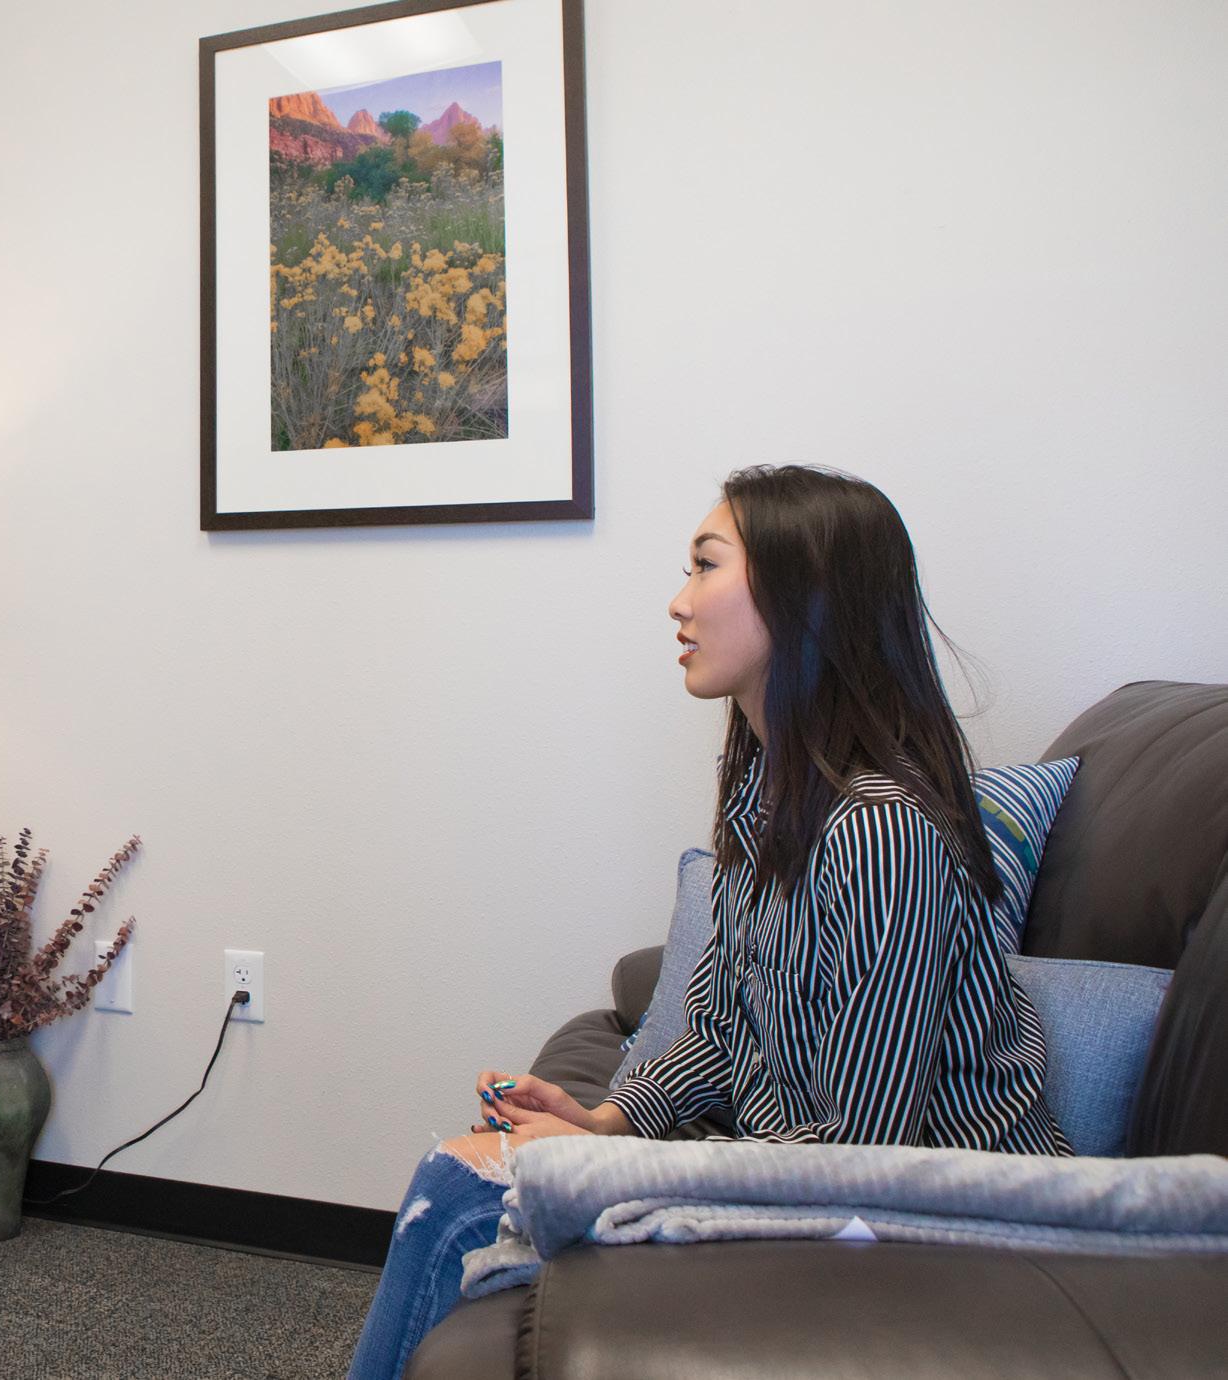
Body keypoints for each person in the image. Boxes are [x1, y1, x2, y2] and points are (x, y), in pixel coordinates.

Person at [347, 465, 1071, 1380]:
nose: (678, 602)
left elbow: (860, 1152)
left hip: (939, 1232)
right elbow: (723, 1031)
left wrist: (625, 1171)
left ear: (803, 596)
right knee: (472, 1172)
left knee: (464, 1189)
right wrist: (605, 1121)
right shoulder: (765, 805)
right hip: (795, 1183)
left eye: (705, 565)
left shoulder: (884, 833)